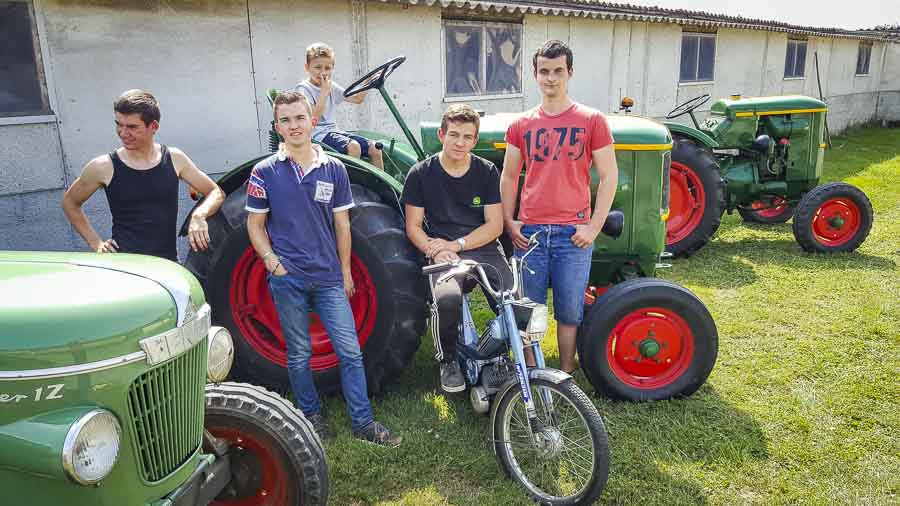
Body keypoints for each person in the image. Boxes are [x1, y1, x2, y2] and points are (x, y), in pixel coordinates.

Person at [245, 91, 401, 447]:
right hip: (288, 280)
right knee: (299, 354)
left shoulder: (334, 167)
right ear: (277, 127)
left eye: (299, 118)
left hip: (329, 278)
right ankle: (311, 416)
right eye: (285, 120)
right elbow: (255, 225)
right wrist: (273, 263)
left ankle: (362, 422)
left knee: (350, 351)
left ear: (311, 121)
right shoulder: (264, 171)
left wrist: (345, 272)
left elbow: (342, 225)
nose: (294, 125)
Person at [500, 40, 618, 374]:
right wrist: (510, 222)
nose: (550, 78)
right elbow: (509, 176)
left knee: (569, 311)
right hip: (531, 234)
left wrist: (594, 227)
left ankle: (565, 373)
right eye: (544, 72)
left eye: (558, 71)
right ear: (534, 75)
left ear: (569, 73)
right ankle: (534, 374)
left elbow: (609, 176)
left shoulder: (592, 120)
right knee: (530, 311)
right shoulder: (521, 124)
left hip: (573, 233)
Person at [402, 103, 511, 393]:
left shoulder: (487, 172)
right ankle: (448, 359)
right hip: (442, 252)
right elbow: (413, 225)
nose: (459, 143)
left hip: (481, 246)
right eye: (454, 135)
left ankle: (499, 356)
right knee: (447, 299)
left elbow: (494, 225)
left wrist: (457, 244)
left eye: (466, 137)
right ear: (441, 135)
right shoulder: (420, 174)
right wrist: (435, 249)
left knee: (512, 301)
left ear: (475, 140)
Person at [61, 89, 224, 261]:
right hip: (126, 266)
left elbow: (216, 192)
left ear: (153, 126)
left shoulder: (174, 158)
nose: (123, 133)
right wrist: (96, 243)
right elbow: (69, 202)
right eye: (118, 124)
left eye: (131, 127)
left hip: (167, 263)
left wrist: (199, 215)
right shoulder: (103, 166)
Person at [295, 42, 384, 170]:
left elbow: (356, 99)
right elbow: (314, 117)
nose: (323, 72)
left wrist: (368, 83)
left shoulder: (330, 85)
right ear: (307, 67)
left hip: (334, 131)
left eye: (327, 68)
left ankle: (383, 188)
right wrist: (324, 93)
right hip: (316, 136)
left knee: (375, 148)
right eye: (318, 67)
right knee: (353, 147)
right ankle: (350, 187)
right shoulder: (303, 89)